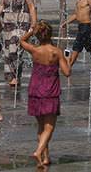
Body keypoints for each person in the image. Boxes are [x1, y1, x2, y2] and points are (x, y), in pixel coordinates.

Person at [20, 21, 71, 167]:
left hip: (35, 90)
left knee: (41, 126)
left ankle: (45, 158)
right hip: (50, 91)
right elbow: (67, 73)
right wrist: (67, 61)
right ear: (51, 34)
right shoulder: (56, 52)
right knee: (49, 127)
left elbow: (21, 41)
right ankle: (38, 151)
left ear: (38, 35)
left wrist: (31, 30)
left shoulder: (35, 50)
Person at [0, 0, 38, 87]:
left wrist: (34, 22)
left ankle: (15, 75)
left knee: (14, 46)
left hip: (21, 24)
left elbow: (31, 6)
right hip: (7, 24)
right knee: (8, 52)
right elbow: (1, 5)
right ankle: (13, 77)